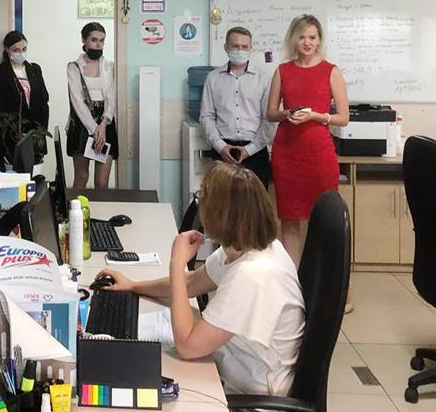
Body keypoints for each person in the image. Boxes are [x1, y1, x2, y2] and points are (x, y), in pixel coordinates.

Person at [93, 163, 304, 396]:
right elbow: (192, 283)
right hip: (237, 370)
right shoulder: (249, 245)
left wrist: (176, 263)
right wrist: (133, 286)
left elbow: (187, 345)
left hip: (254, 394)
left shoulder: (252, 275)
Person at [266, 14, 349, 268]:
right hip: (287, 153)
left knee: (323, 218)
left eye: (312, 37)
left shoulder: (331, 71)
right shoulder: (283, 71)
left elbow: (343, 118)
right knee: (289, 219)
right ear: (293, 39)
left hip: (318, 154)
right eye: (302, 37)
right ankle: (293, 280)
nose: (307, 42)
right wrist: (286, 114)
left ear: (319, 39)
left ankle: (326, 281)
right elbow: (271, 113)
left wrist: (315, 116)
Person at [199, 26, 273, 188]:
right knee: (220, 200)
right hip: (222, 151)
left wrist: (250, 149)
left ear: (251, 48)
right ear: (226, 47)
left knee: (254, 202)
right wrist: (220, 146)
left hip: (255, 152)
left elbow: (269, 119)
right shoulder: (213, 78)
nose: (240, 50)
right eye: (235, 46)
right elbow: (206, 116)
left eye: (244, 46)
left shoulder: (264, 79)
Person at [67, 22, 117, 189]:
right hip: (82, 122)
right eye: (94, 40)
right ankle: (75, 207)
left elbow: (111, 97)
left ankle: (101, 208)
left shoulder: (109, 65)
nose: (98, 45)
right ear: (84, 40)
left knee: (102, 182)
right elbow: (77, 101)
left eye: (102, 41)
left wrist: (103, 124)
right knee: (82, 177)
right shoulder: (74, 67)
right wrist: (94, 129)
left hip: (106, 121)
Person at [0, 30, 49, 170]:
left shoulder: (35, 69)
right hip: (10, 132)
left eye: (24, 49)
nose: (20, 53)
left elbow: (43, 99)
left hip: (34, 130)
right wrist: (13, 129)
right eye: (16, 50)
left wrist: (41, 130)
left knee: (33, 174)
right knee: (12, 175)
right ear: (7, 50)